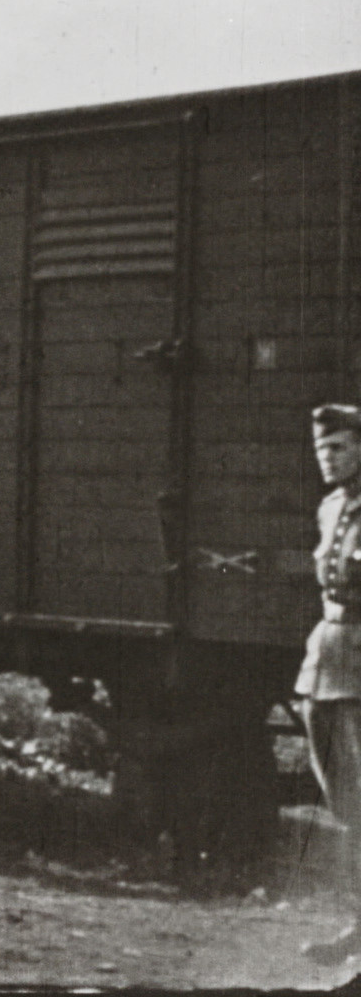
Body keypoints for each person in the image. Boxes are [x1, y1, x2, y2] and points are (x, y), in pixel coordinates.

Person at [299, 404, 361, 965]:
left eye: (339, 446)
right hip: (330, 655)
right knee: (344, 796)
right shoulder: (330, 508)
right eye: (323, 449)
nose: (329, 457)